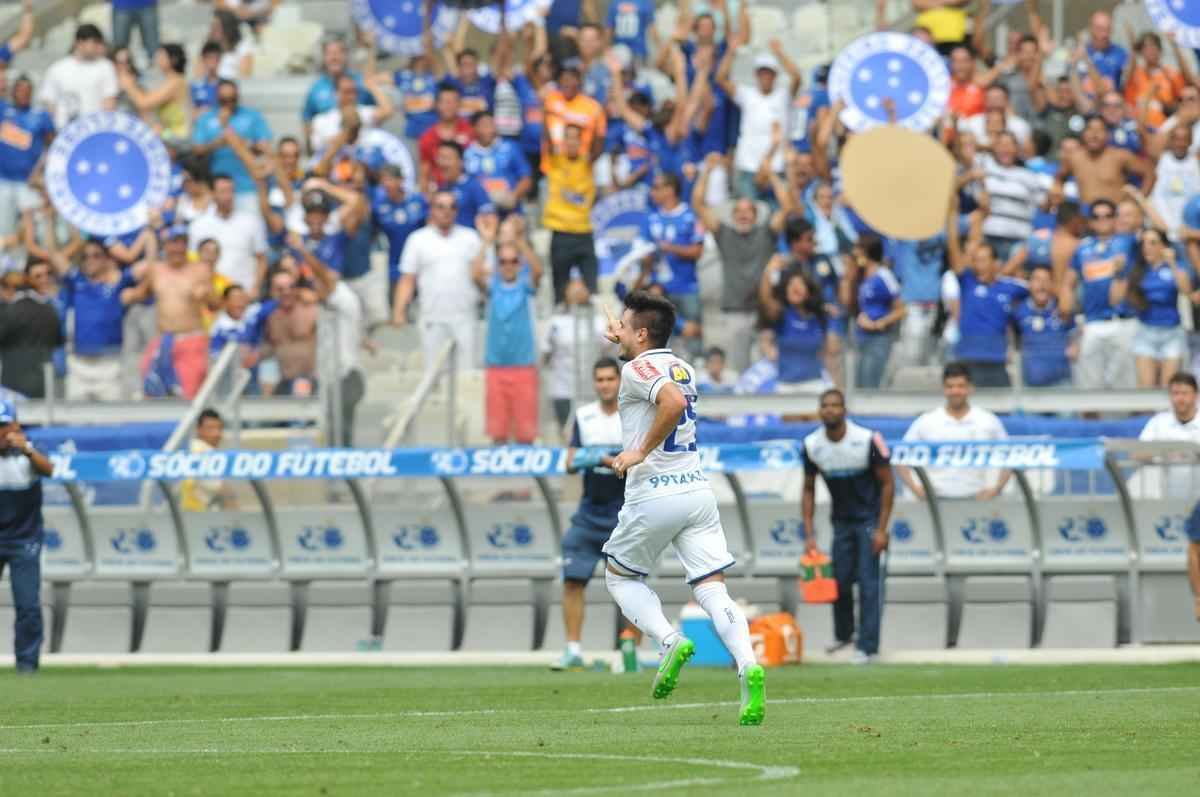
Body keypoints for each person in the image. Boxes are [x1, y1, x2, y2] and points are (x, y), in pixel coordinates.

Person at [601, 290, 765, 725]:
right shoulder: (683, 367)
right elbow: (659, 383)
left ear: (640, 332)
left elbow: (666, 401)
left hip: (654, 492)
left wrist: (637, 451)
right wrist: (623, 343)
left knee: (619, 577)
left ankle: (668, 639)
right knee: (712, 588)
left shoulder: (638, 368)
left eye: (624, 323)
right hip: (695, 491)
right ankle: (748, 664)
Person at [802, 389, 893, 664]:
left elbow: (888, 483)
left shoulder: (867, 440)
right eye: (825, 406)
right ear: (820, 411)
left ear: (844, 410)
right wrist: (809, 533)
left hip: (869, 521)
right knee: (838, 583)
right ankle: (844, 634)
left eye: (835, 405)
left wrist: (881, 528)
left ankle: (867, 647)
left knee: (869, 584)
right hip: (841, 523)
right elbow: (808, 489)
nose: (830, 410)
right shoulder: (812, 445)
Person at [553, 358, 626, 669]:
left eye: (610, 379)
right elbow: (569, 461)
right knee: (572, 581)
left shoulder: (633, 415)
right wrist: (601, 457)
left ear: (620, 381)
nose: (605, 384)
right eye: (600, 379)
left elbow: (644, 460)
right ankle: (572, 649)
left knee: (629, 584)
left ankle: (628, 653)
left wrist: (601, 458)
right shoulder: (584, 417)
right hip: (590, 510)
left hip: (625, 513)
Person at [692, 153, 785, 372]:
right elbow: (698, 204)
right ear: (733, 216)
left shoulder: (766, 233)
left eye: (748, 211)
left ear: (756, 215)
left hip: (764, 312)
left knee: (768, 369)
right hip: (735, 311)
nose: (743, 215)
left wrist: (771, 175)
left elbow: (787, 207)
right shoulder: (725, 234)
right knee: (740, 371)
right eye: (739, 212)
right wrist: (706, 172)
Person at [472, 220, 544, 445]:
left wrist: (520, 242)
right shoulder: (492, 286)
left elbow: (538, 270)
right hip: (496, 366)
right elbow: (475, 274)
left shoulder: (525, 286)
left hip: (524, 365)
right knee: (498, 430)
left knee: (526, 431)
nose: (508, 265)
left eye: (513, 261)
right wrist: (486, 242)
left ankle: (530, 478)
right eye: (503, 261)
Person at [394, 190, 483, 370]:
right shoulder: (417, 239)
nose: (446, 211)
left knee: (466, 376)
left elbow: (482, 275)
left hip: (464, 317)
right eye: (440, 207)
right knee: (433, 377)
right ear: (431, 210)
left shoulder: (471, 238)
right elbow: (407, 279)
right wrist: (399, 311)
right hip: (432, 318)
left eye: (452, 207)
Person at [899, 362, 1010, 500]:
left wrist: (995, 490)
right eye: (950, 386)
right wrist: (917, 490)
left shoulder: (987, 420)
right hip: (935, 501)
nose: (955, 391)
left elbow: (1009, 455)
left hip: (976, 501)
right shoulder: (927, 421)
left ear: (970, 388)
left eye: (960, 386)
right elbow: (900, 456)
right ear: (943, 389)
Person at [126, 225, 213, 399]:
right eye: (174, 243)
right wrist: (128, 294)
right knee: (151, 390)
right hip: (163, 340)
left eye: (182, 243)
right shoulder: (156, 270)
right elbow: (141, 293)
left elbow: (216, 303)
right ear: (165, 246)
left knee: (187, 396)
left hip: (191, 339)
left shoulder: (200, 270)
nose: (178, 248)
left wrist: (206, 294)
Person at [0, 399, 54, 673]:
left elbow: (50, 469)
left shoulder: (29, 452)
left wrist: (27, 450)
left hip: (24, 541)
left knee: (28, 607)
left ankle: (27, 666)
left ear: (15, 425)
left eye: (4, 425)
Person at [1064, 199, 1137, 391]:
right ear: (1090, 221)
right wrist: (1071, 324)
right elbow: (1068, 284)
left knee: (1126, 386)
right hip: (1092, 322)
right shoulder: (1082, 248)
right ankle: (1091, 422)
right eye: (1097, 216)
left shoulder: (1129, 242)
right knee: (1089, 385)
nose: (1102, 220)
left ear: (1115, 218)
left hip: (1123, 320)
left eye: (1107, 215)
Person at [718, 40, 802, 201]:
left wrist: (779, 53)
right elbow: (721, 79)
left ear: (775, 75)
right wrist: (730, 53)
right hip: (749, 164)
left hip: (777, 165)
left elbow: (797, 76)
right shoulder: (747, 94)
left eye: (769, 72)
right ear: (756, 75)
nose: (765, 76)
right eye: (761, 72)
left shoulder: (783, 95)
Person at [1111, 228, 1193, 389]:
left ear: (1164, 246)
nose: (1147, 247)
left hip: (1172, 332)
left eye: (1153, 242)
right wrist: (1118, 273)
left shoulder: (1175, 266)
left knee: (1168, 386)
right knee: (1145, 387)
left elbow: (1186, 290)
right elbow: (1114, 300)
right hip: (1145, 331)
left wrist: (1173, 263)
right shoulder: (1137, 269)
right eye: (1144, 243)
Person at [58, 240, 140, 401]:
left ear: (106, 259)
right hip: (78, 364)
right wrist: (49, 220)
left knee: (112, 420)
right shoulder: (77, 282)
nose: (90, 260)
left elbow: (147, 268)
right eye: (85, 256)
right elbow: (56, 256)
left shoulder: (117, 286)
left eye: (96, 255)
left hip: (110, 364)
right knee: (75, 421)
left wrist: (147, 236)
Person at [191, 80, 274, 216]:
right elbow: (197, 149)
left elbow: (265, 147)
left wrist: (238, 141)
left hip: (247, 188)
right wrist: (217, 143)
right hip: (217, 189)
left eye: (232, 99)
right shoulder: (206, 119)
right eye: (224, 100)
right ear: (217, 99)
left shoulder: (252, 116)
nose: (228, 103)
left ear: (238, 97)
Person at [543, 123, 599, 302]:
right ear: (563, 140)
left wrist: (598, 120)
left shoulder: (588, 163)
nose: (572, 141)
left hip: (584, 232)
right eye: (568, 137)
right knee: (560, 292)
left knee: (592, 291)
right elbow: (546, 140)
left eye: (576, 137)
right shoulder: (555, 160)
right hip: (561, 233)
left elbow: (599, 144)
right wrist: (546, 107)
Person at [188, 173, 269, 296]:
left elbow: (261, 259)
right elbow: (193, 261)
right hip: (212, 296)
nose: (228, 196)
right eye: (223, 191)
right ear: (212, 194)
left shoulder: (252, 221)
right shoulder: (198, 225)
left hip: (243, 294)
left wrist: (255, 288)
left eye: (231, 191)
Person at [759, 260, 829, 393]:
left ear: (808, 291)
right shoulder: (781, 315)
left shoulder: (819, 317)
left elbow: (828, 354)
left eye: (800, 284)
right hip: (786, 386)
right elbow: (766, 299)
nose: (795, 287)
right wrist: (769, 271)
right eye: (791, 284)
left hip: (815, 384)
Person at [0, 75, 55, 243]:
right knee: (3, 228)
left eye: (27, 90)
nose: (23, 94)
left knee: (34, 230)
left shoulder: (41, 116)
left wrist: (40, 172)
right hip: (3, 181)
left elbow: (52, 146)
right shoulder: (2, 110)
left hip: (28, 182)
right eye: (20, 90)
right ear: (13, 91)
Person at [846, 235, 904, 390]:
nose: (854, 253)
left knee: (871, 381)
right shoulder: (860, 276)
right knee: (858, 382)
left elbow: (901, 309)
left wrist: (880, 323)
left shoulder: (884, 275)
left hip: (879, 338)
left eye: (858, 249)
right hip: (860, 337)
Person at [38, 25, 119, 129]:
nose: (99, 47)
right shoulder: (57, 68)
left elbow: (110, 104)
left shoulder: (106, 67)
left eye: (99, 43)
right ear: (79, 43)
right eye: (94, 42)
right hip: (64, 133)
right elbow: (48, 102)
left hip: (94, 131)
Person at [1139, 372, 1200, 501]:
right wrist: (1165, 451)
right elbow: (1136, 453)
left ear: (1196, 395)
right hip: (1168, 501)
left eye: (1184, 393)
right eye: (1175, 393)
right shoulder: (1158, 422)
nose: (1180, 398)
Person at [1014, 266, 1075, 388]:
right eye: (1037, 279)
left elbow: (1075, 334)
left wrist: (1074, 344)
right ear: (1029, 284)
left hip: (1062, 383)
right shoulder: (1019, 311)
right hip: (1031, 385)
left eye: (1046, 280)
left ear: (1052, 285)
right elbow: (1012, 337)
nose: (1042, 284)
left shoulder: (1062, 308)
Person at [117, 43, 191, 142]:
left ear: (173, 60)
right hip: (171, 134)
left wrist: (129, 85)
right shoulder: (168, 81)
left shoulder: (176, 82)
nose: (157, 59)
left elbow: (143, 102)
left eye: (161, 56)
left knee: (157, 131)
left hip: (179, 137)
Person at [180, 408, 238, 511]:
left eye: (219, 428)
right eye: (210, 428)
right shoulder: (200, 450)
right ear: (199, 430)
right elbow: (222, 489)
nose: (216, 433)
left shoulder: (190, 447)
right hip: (198, 514)